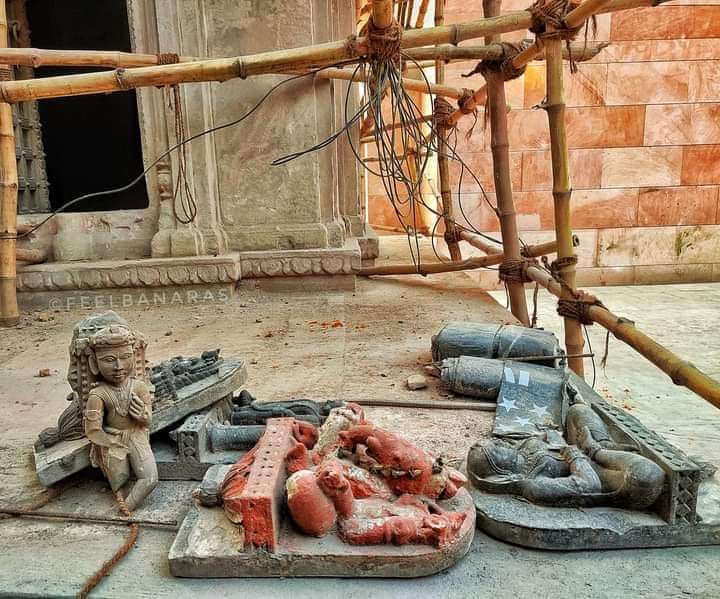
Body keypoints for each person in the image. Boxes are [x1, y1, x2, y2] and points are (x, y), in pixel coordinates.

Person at [83, 324, 158, 510]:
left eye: (125, 357)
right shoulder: (98, 394)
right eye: (109, 360)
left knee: (150, 478)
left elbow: (148, 420)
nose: (118, 367)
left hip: (136, 435)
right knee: (119, 476)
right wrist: (111, 443)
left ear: (134, 356)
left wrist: (143, 416)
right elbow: (92, 430)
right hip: (112, 438)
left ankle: (127, 506)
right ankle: (120, 494)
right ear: (94, 363)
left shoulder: (139, 387)